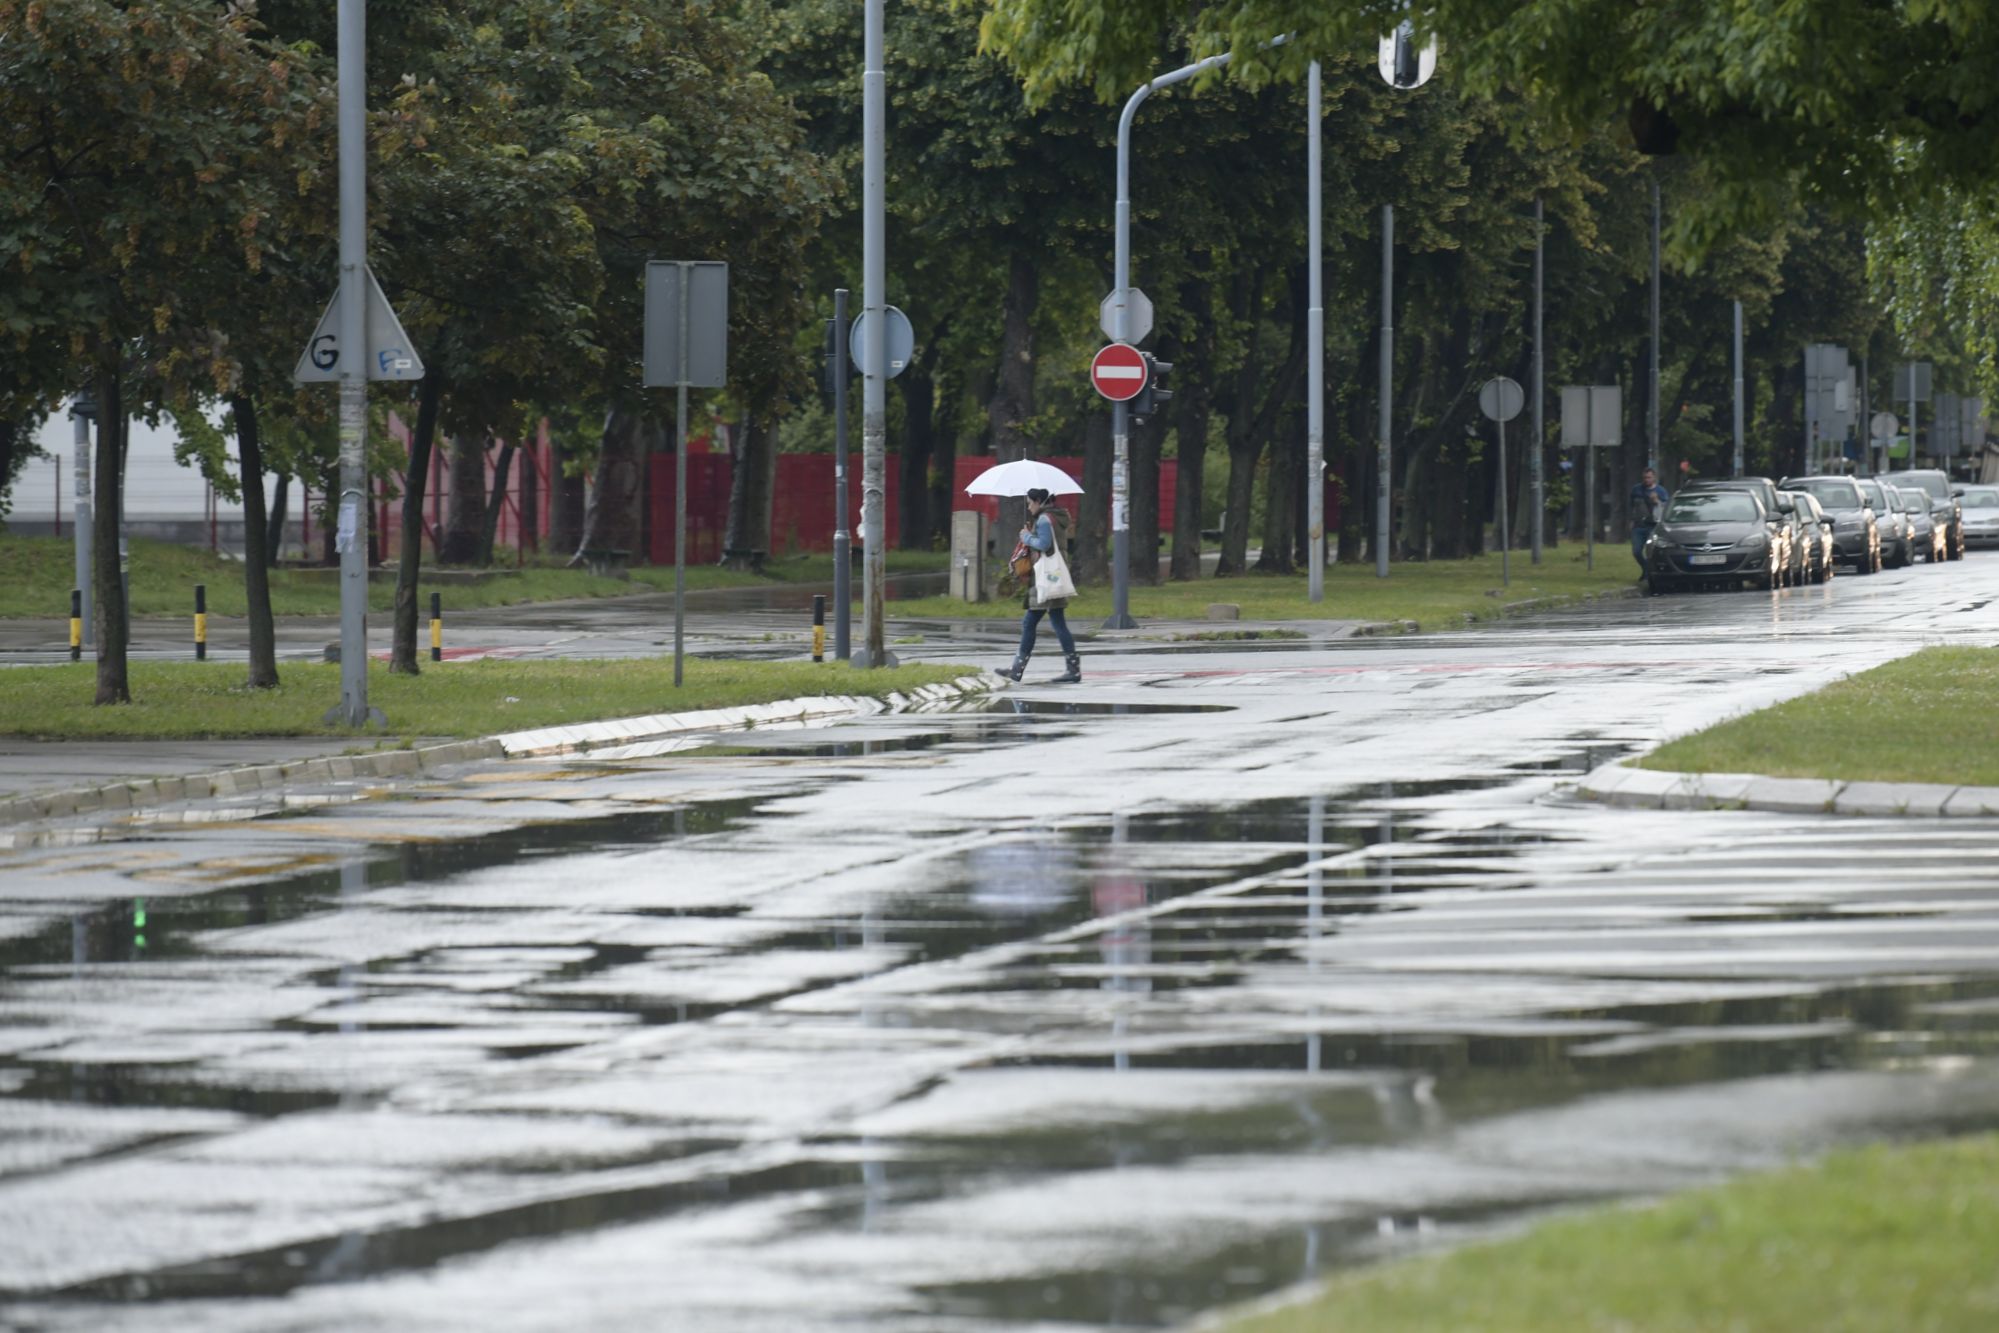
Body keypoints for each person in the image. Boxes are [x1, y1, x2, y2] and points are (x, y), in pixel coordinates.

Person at [1001, 489, 1081, 683]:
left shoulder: (1045, 520)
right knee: (1054, 622)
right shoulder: (1056, 517)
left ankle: (1018, 669)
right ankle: (1072, 669)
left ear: (1039, 501)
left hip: (1045, 578)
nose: (1029, 507)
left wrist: (1026, 537)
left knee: (1033, 623)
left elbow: (1044, 544)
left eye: (1030, 503)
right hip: (1052, 576)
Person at [1628, 467, 1669, 572]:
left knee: (1651, 552)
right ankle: (1646, 568)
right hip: (1638, 526)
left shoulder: (1661, 491)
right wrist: (1631, 520)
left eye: (1649, 477)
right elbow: (1631, 506)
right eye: (1645, 478)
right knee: (1636, 551)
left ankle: (1649, 572)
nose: (1646, 480)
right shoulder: (1636, 489)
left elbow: (1666, 508)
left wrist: (1657, 501)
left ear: (1654, 478)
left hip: (1653, 526)